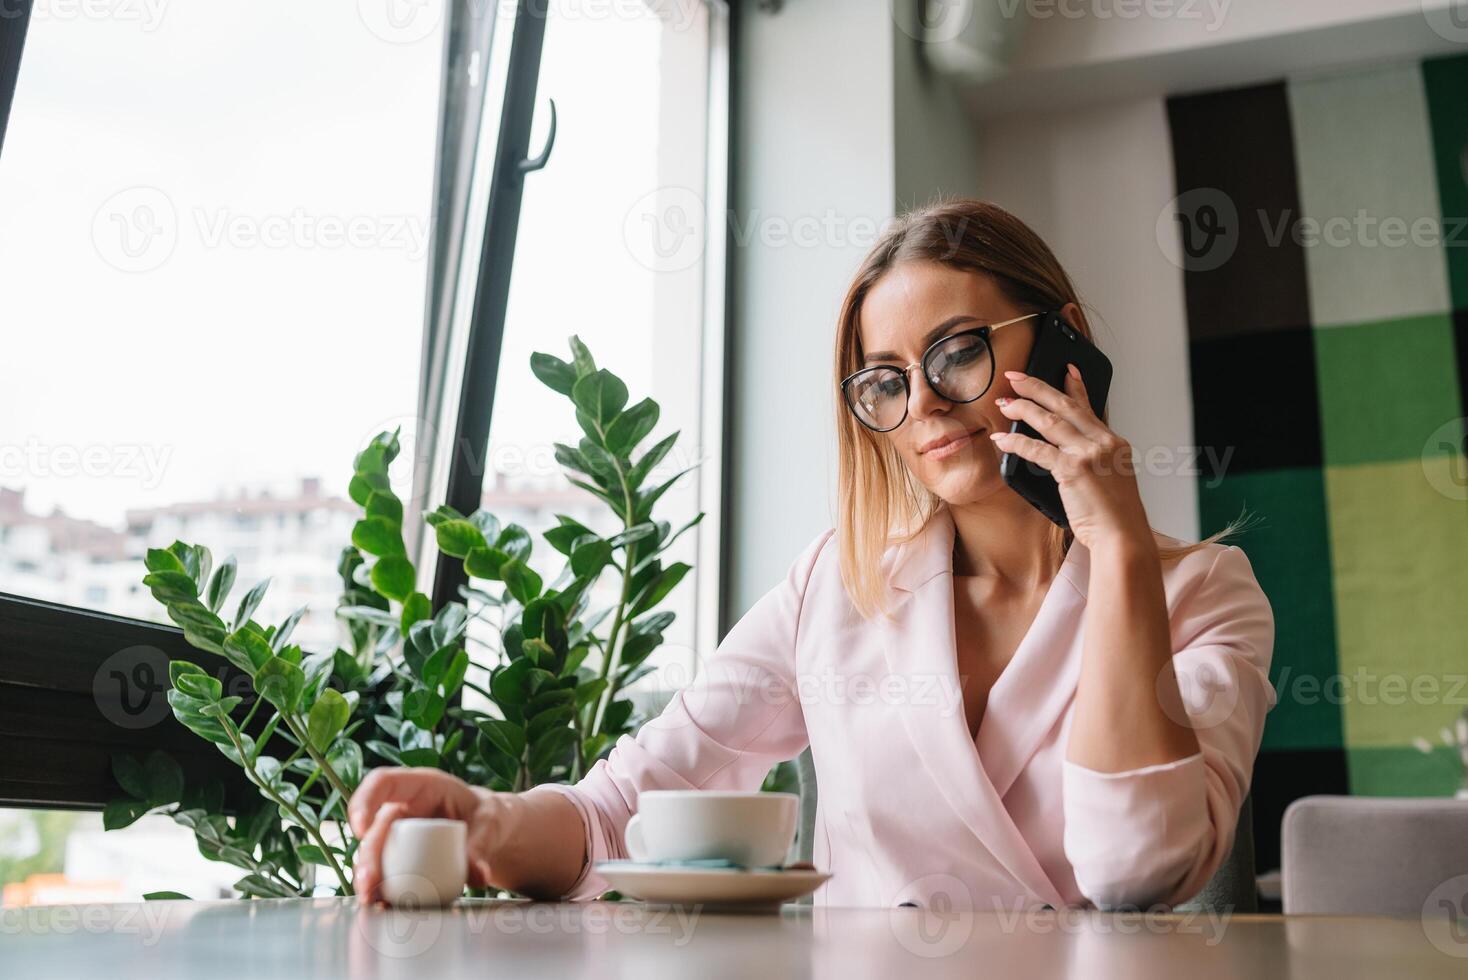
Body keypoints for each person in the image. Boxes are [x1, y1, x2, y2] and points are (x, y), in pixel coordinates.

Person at [349, 199, 1274, 911]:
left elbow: (1133, 867)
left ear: (1063, 335)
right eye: (887, 380)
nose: (925, 405)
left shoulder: (1203, 595)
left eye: (957, 354)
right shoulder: (841, 582)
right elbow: (624, 806)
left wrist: (1113, 546)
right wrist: (487, 817)